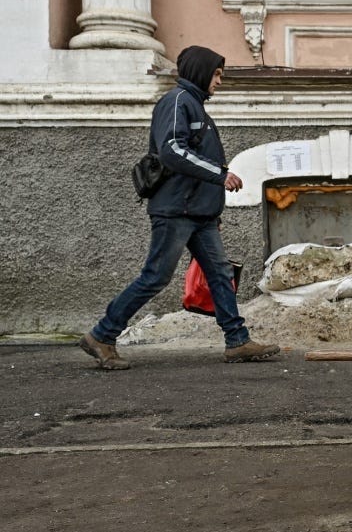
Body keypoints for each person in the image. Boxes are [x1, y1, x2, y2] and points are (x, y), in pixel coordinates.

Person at [79, 45, 279, 370]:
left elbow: (194, 157)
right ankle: (102, 334)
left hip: (197, 214)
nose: (220, 81)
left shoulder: (195, 106)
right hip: (175, 211)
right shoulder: (176, 102)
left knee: (219, 275)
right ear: (200, 71)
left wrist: (211, 212)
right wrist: (220, 175)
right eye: (216, 74)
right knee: (155, 277)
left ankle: (237, 341)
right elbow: (173, 151)